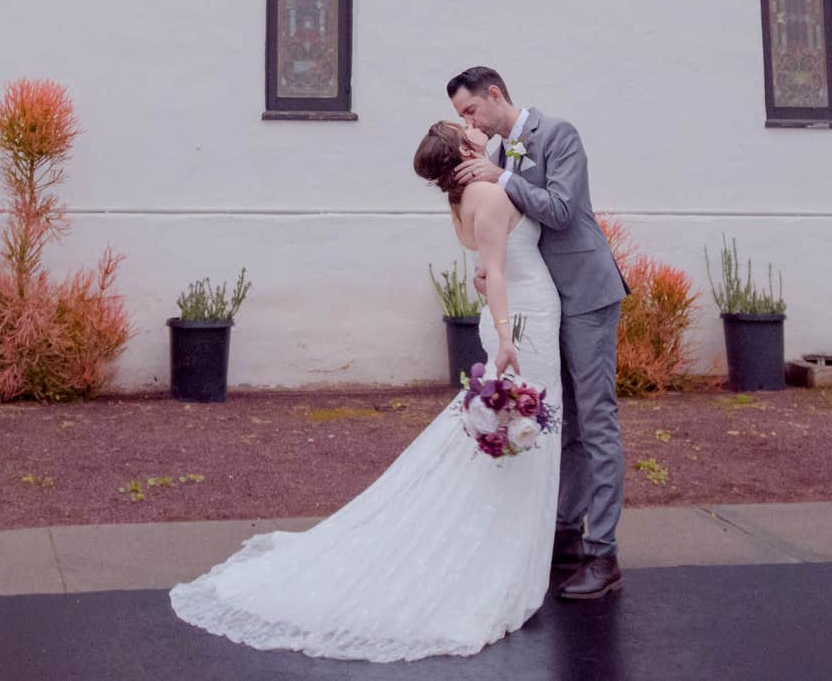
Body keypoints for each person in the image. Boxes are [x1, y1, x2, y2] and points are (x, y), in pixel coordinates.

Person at [169, 117, 567, 661]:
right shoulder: (489, 193)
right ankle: (492, 567)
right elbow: (494, 272)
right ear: (463, 150)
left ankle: (504, 553)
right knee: (520, 440)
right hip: (518, 324)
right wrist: (503, 339)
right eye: (466, 128)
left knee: (509, 446)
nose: (475, 128)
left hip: (512, 312)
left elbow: (486, 264)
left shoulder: (465, 198)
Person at [447, 65, 628, 600]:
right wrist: (491, 270)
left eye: (471, 111)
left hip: (589, 295)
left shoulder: (558, 135)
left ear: (495, 94)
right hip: (546, 304)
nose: (469, 123)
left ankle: (605, 553)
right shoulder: (498, 156)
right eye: (462, 117)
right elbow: (513, 230)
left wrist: (499, 176)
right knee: (565, 420)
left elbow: (563, 211)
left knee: (596, 420)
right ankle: (567, 535)